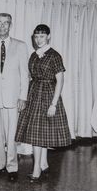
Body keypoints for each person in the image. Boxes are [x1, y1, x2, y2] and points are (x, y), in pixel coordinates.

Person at [15, 24, 71, 182]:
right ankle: (44, 164)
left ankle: (36, 170)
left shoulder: (54, 55)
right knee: (38, 133)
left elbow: (60, 81)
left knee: (39, 134)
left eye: (42, 36)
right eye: (36, 36)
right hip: (34, 94)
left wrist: (53, 104)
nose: (38, 40)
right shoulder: (33, 55)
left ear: (48, 37)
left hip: (48, 96)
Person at [0, 13, 29, 182]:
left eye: (6, 23)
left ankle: (12, 167)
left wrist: (22, 97)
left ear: (10, 26)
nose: (3, 26)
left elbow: (24, 74)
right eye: (0, 23)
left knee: (11, 135)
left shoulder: (20, 46)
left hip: (13, 98)